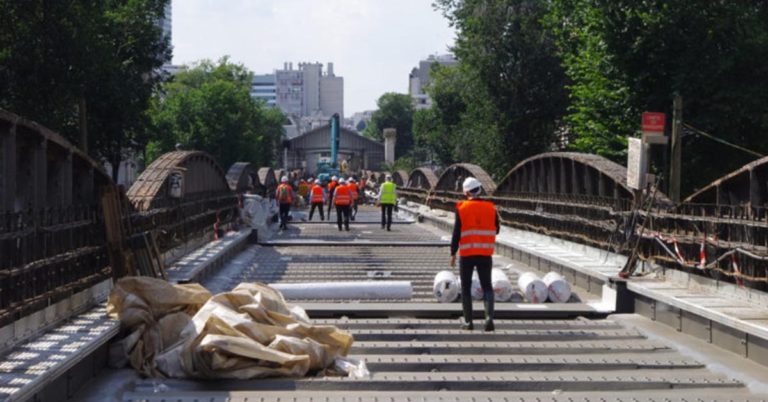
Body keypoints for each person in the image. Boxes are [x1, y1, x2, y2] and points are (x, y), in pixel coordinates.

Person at [449, 177, 500, 332]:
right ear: (479, 189)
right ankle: (489, 319)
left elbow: (456, 232)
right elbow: (496, 229)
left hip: (467, 254)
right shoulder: (491, 208)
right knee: (487, 286)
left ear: (466, 192)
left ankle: (468, 322)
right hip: (485, 253)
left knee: (465, 287)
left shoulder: (461, 208)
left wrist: (452, 253)